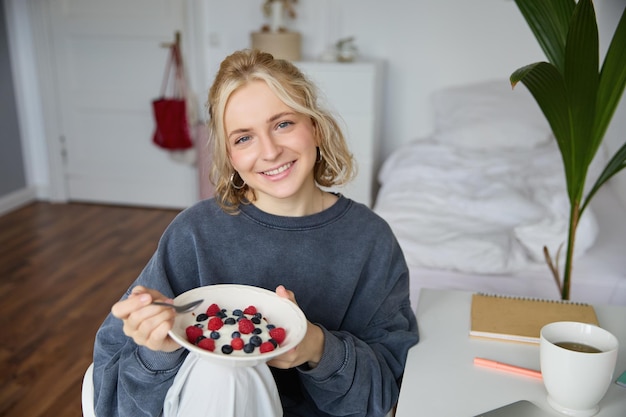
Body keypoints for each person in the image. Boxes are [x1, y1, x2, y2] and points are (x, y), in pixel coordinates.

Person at [92, 48, 419, 417]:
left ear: (314, 126)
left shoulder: (370, 241)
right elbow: (110, 394)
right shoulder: (195, 234)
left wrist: (315, 347)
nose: (270, 151)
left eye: (282, 124)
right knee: (224, 369)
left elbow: (390, 395)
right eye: (243, 138)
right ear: (229, 157)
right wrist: (157, 351)